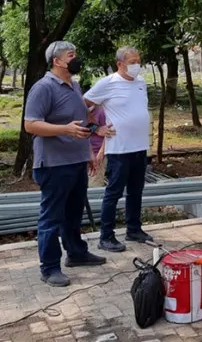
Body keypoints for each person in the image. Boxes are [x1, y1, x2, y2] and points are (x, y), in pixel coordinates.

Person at [24, 40, 107, 287]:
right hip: (53, 164)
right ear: (57, 61)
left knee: (73, 212)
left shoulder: (75, 85)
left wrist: (94, 136)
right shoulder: (43, 88)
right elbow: (30, 124)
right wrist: (64, 130)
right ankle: (49, 268)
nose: (76, 59)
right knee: (51, 217)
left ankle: (77, 253)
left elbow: (79, 122)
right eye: (72, 55)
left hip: (77, 160)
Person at [84, 46, 153, 252]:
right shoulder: (108, 83)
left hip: (140, 147)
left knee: (136, 192)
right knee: (113, 193)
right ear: (120, 64)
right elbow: (82, 105)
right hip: (119, 149)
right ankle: (106, 236)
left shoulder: (141, 83)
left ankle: (134, 229)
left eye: (138, 61)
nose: (136, 65)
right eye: (132, 62)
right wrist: (97, 128)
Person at [87, 106, 111, 187]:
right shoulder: (77, 112)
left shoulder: (101, 112)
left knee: (94, 184)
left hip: (97, 154)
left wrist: (101, 152)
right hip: (83, 154)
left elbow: (109, 132)